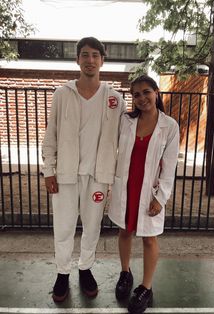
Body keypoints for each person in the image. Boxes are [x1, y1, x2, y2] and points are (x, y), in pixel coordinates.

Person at [42, 37, 126, 302]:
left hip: (98, 176)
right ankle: (62, 272)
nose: (90, 60)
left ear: (103, 59)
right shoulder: (62, 94)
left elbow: (125, 136)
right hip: (66, 174)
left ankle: (85, 268)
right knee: (64, 226)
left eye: (95, 55)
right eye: (85, 55)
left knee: (92, 226)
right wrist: (49, 170)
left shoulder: (114, 98)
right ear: (77, 59)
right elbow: (50, 135)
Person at [108, 75, 179, 313]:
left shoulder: (169, 126)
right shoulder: (125, 121)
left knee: (149, 238)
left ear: (157, 92)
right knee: (125, 231)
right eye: (136, 94)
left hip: (149, 190)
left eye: (146, 92)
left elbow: (169, 166)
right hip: (126, 187)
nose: (141, 98)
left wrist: (160, 198)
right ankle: (125, 273)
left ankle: (146, 288)